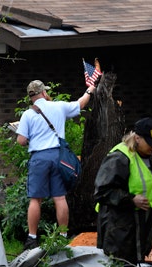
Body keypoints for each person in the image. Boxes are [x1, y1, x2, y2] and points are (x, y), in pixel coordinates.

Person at [93, 117, 152, 267]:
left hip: (138, 224)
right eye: (150, 142)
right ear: (137, 138)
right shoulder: (119, 157)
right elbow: (102, 191)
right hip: (118, 224)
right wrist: (131, 199)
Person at [16, 80, 96, 249]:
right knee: (59, 198)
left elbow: (21, 141)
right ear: (44, 93)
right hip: (58, 156)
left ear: (31, 97)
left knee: (35, 199)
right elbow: (80, 104)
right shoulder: (59, 106)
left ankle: (32, 238)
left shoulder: (27, 115)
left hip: (39, 158)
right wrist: (89, 91)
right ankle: (62, 236)